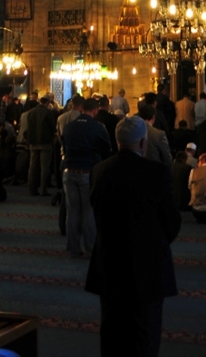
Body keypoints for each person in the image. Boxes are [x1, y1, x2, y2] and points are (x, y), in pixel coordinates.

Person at [86, 116, 180, 357]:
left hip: (109, 262)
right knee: (144, 332)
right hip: (146, 266)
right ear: (143, 143)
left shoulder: (99, 171)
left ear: (117, 142)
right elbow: (172, 224)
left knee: (112, 330)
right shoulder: (156, 173)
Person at [62, 97, 111, 257]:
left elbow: (65, 148)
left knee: (72, 211)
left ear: (82, 109)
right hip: (87, 172)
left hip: (69, 172)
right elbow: (107, 150)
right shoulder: (98, 127)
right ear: (95, 111)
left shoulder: (69, 126)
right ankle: (90, 248)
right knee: (88, 211)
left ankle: (73, 248)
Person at [26, 95, 57, 196]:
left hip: (33, 142)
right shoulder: (48, 112)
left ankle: (32, 189)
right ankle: (43, 190)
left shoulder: (31, 112)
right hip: (45, 143)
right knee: (44, 168)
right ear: (47, 103)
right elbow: (52, 128)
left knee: (32, 167)